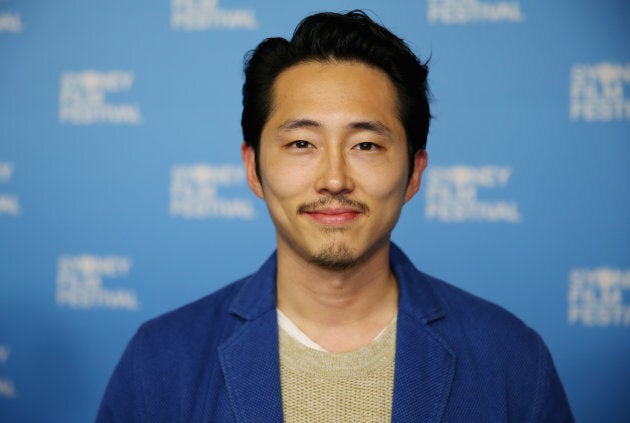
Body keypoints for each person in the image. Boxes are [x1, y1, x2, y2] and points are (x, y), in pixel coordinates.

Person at [97, 10, 574, 422]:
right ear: (253, 167)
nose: (333, 179)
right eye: (301, 144)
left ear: (414, 172)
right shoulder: (160, 360)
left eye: (366, 145)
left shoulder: (511, 359)